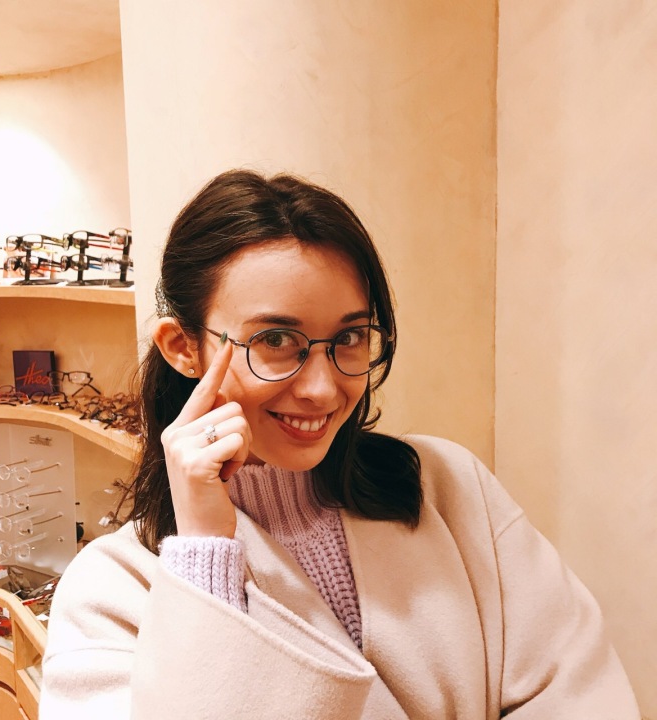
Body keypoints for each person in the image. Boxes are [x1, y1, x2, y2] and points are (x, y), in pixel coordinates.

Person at [40, 169, 640, 719]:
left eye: (349, 336)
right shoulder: (113, 589)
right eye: (276, 340)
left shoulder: (450, 488)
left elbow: (581, 692)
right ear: (183, 347)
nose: (323, 389)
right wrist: (205, 559)